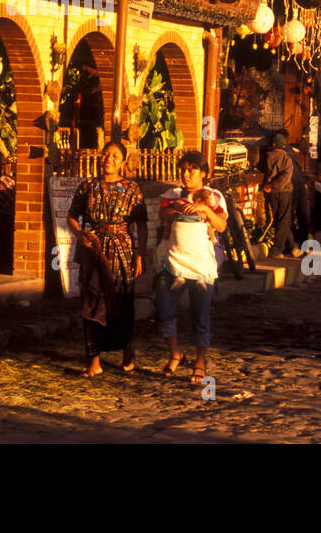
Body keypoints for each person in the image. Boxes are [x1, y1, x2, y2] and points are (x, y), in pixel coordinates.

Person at [67, 140, 147, 377]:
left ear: (122, 162)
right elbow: (72, 216)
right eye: (105, 154)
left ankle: (127, 350)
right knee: (91, 302)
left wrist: (140, 255)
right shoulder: (87, 187)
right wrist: (79, 234)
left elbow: (141, 225)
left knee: (123, 301)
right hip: (93, 250)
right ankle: (94, 361)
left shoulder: (133, 190)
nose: (108, 159)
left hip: (122, 252)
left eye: (114, 156)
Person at [156, 151, 228, 385]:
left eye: (192, 170)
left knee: (201, 313)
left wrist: (205, 210)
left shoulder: (214, 197)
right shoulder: (173, 195)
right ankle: (175, 353)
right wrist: (177, 208)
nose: (186, 174)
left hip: (200, 266)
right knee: (164, 308)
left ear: (204, 173)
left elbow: (222, 225)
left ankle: (199, 361)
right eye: (184, 169)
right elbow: (161, 214)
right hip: (174, 262)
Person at [260, 129, 302, 257]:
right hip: (283, 192)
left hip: (271, 193)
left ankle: (293, 246)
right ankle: (276, 250)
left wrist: (269, 186)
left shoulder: (267, 156)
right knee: (284, 220)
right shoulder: (286, 158)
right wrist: (274, 185)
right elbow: (285, 176)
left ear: (273, 144)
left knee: (281, 220)